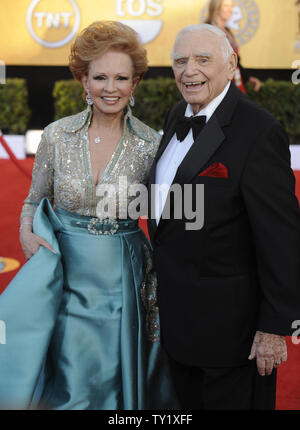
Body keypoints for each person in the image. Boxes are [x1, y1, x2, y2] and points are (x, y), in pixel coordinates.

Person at [0, 21, 176, 410]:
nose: (110, 88)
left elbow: (168, 215)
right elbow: (33, 199)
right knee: (66, 370)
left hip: (124, 279)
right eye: (100, 77)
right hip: (63, 275)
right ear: (83, 80)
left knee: (113, 374)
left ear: (135, 84)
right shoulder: (57, 136)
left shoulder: (151, 144)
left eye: (120, 78)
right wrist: (27, 234)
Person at [147, 24, 300, 410]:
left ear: (231, 63)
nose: (189, 70)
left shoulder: (258, 131)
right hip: (177, 328)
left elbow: (282, 239)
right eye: (180, 61)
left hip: (233, 339)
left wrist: (273, 328)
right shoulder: (175, 115)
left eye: (203, 59)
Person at [205, 0, 261, 93]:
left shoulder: (227, 31)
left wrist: (248, 78)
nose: (231, 10)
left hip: (235, 82)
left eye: (231, 6)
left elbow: (236, 61)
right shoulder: (208, 30)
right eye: (226, 6)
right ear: (216, 7)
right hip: (219, 86)